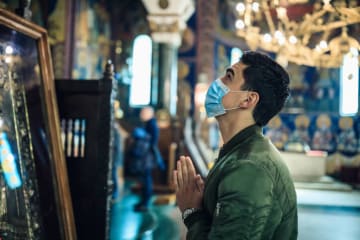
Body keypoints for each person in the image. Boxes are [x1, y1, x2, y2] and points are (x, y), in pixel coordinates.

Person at [173, 51, 298, 239]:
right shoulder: (238, 152)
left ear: (248, 100)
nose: (218, 82)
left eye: (229, 76)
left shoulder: (249, 168)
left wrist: (192, 213)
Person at [132, 106, 165, 212]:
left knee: (146, 180)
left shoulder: (152, 125)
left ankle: (145, 203)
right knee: (144, 179)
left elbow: (152, 143)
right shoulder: (149, 124)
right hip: (146, 156)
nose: (141, 114)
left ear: (149, 114)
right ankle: (143, 202)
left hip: (147, 157)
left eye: (143, 112)